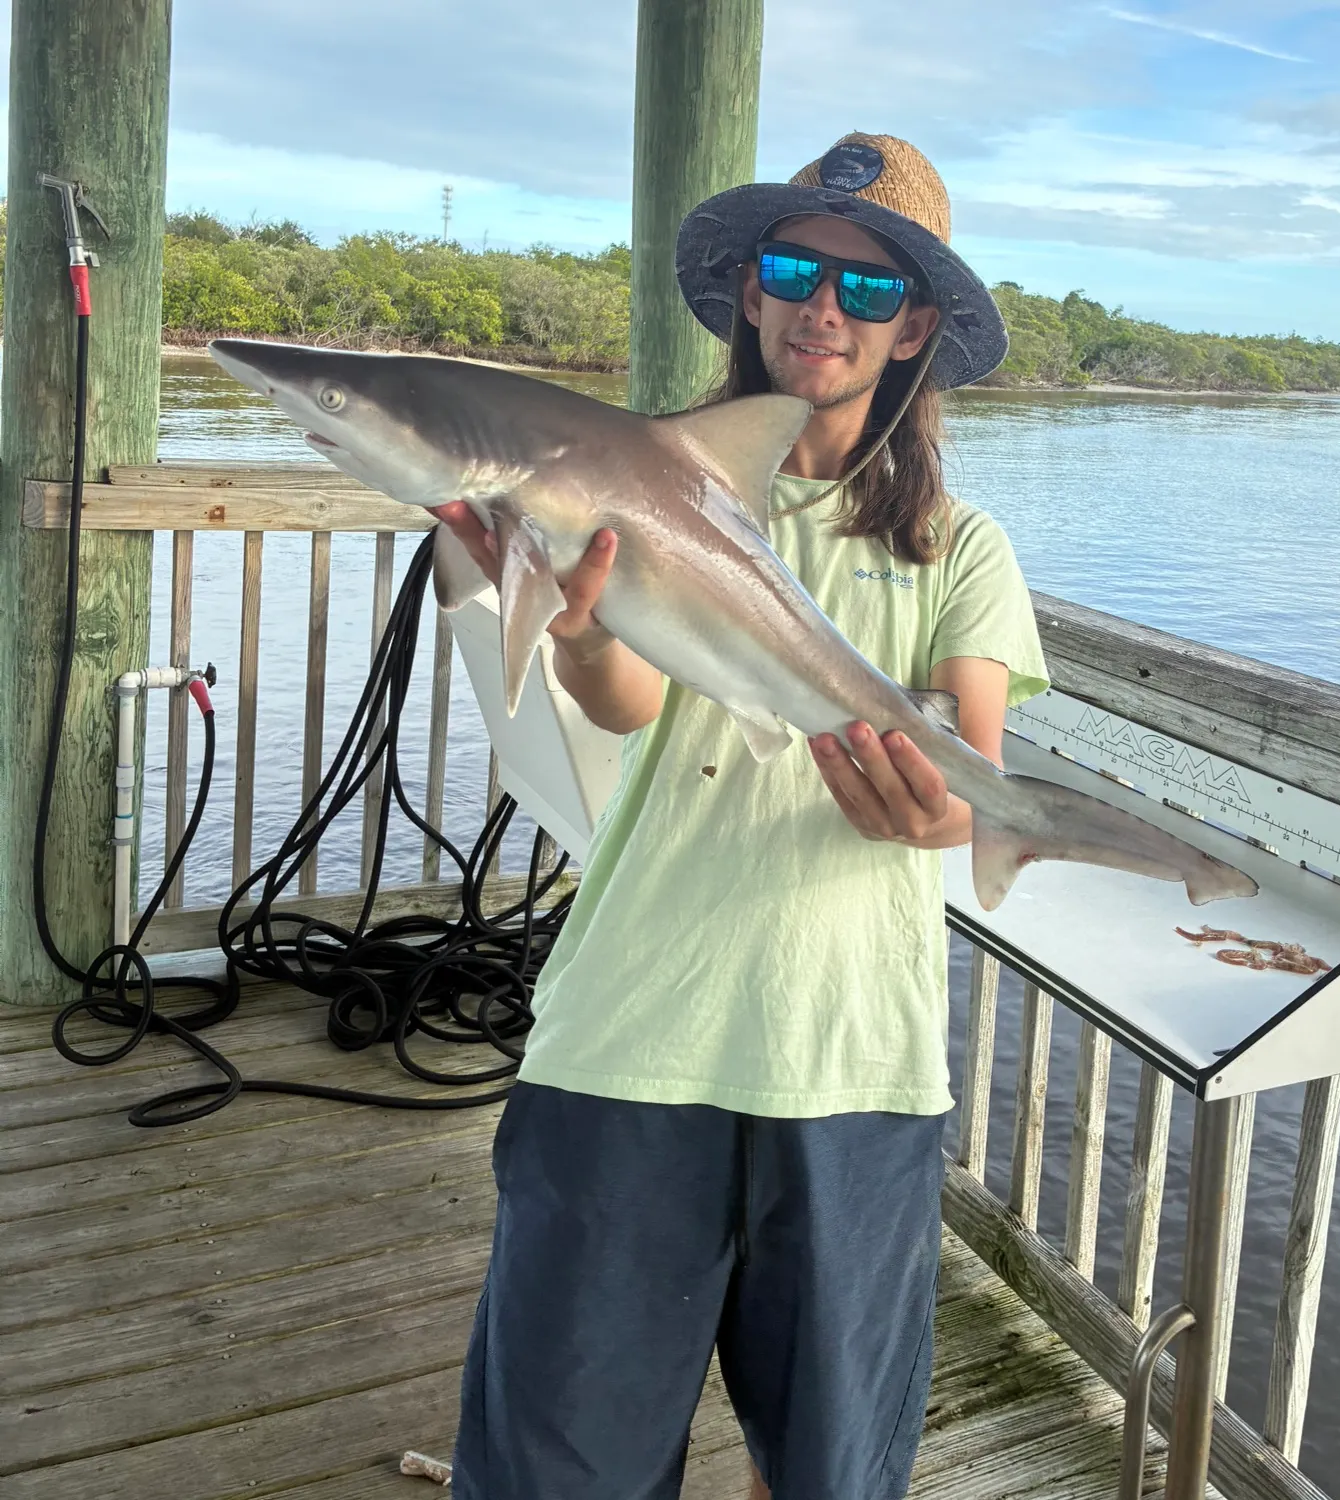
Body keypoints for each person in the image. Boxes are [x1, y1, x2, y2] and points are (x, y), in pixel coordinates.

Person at [449, 132, 1050, 1500]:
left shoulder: (959, 549)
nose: (824, 308)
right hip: (630, 1037)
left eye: (870, 289)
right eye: (795, 270)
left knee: (838, 1475)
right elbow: (623, 709)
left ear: (912, 334)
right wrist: (583, 624)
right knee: (558, 1472)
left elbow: (970, 765)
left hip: (850, 1058)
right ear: (751, 297)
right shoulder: (637, 485)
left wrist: (941, 813)